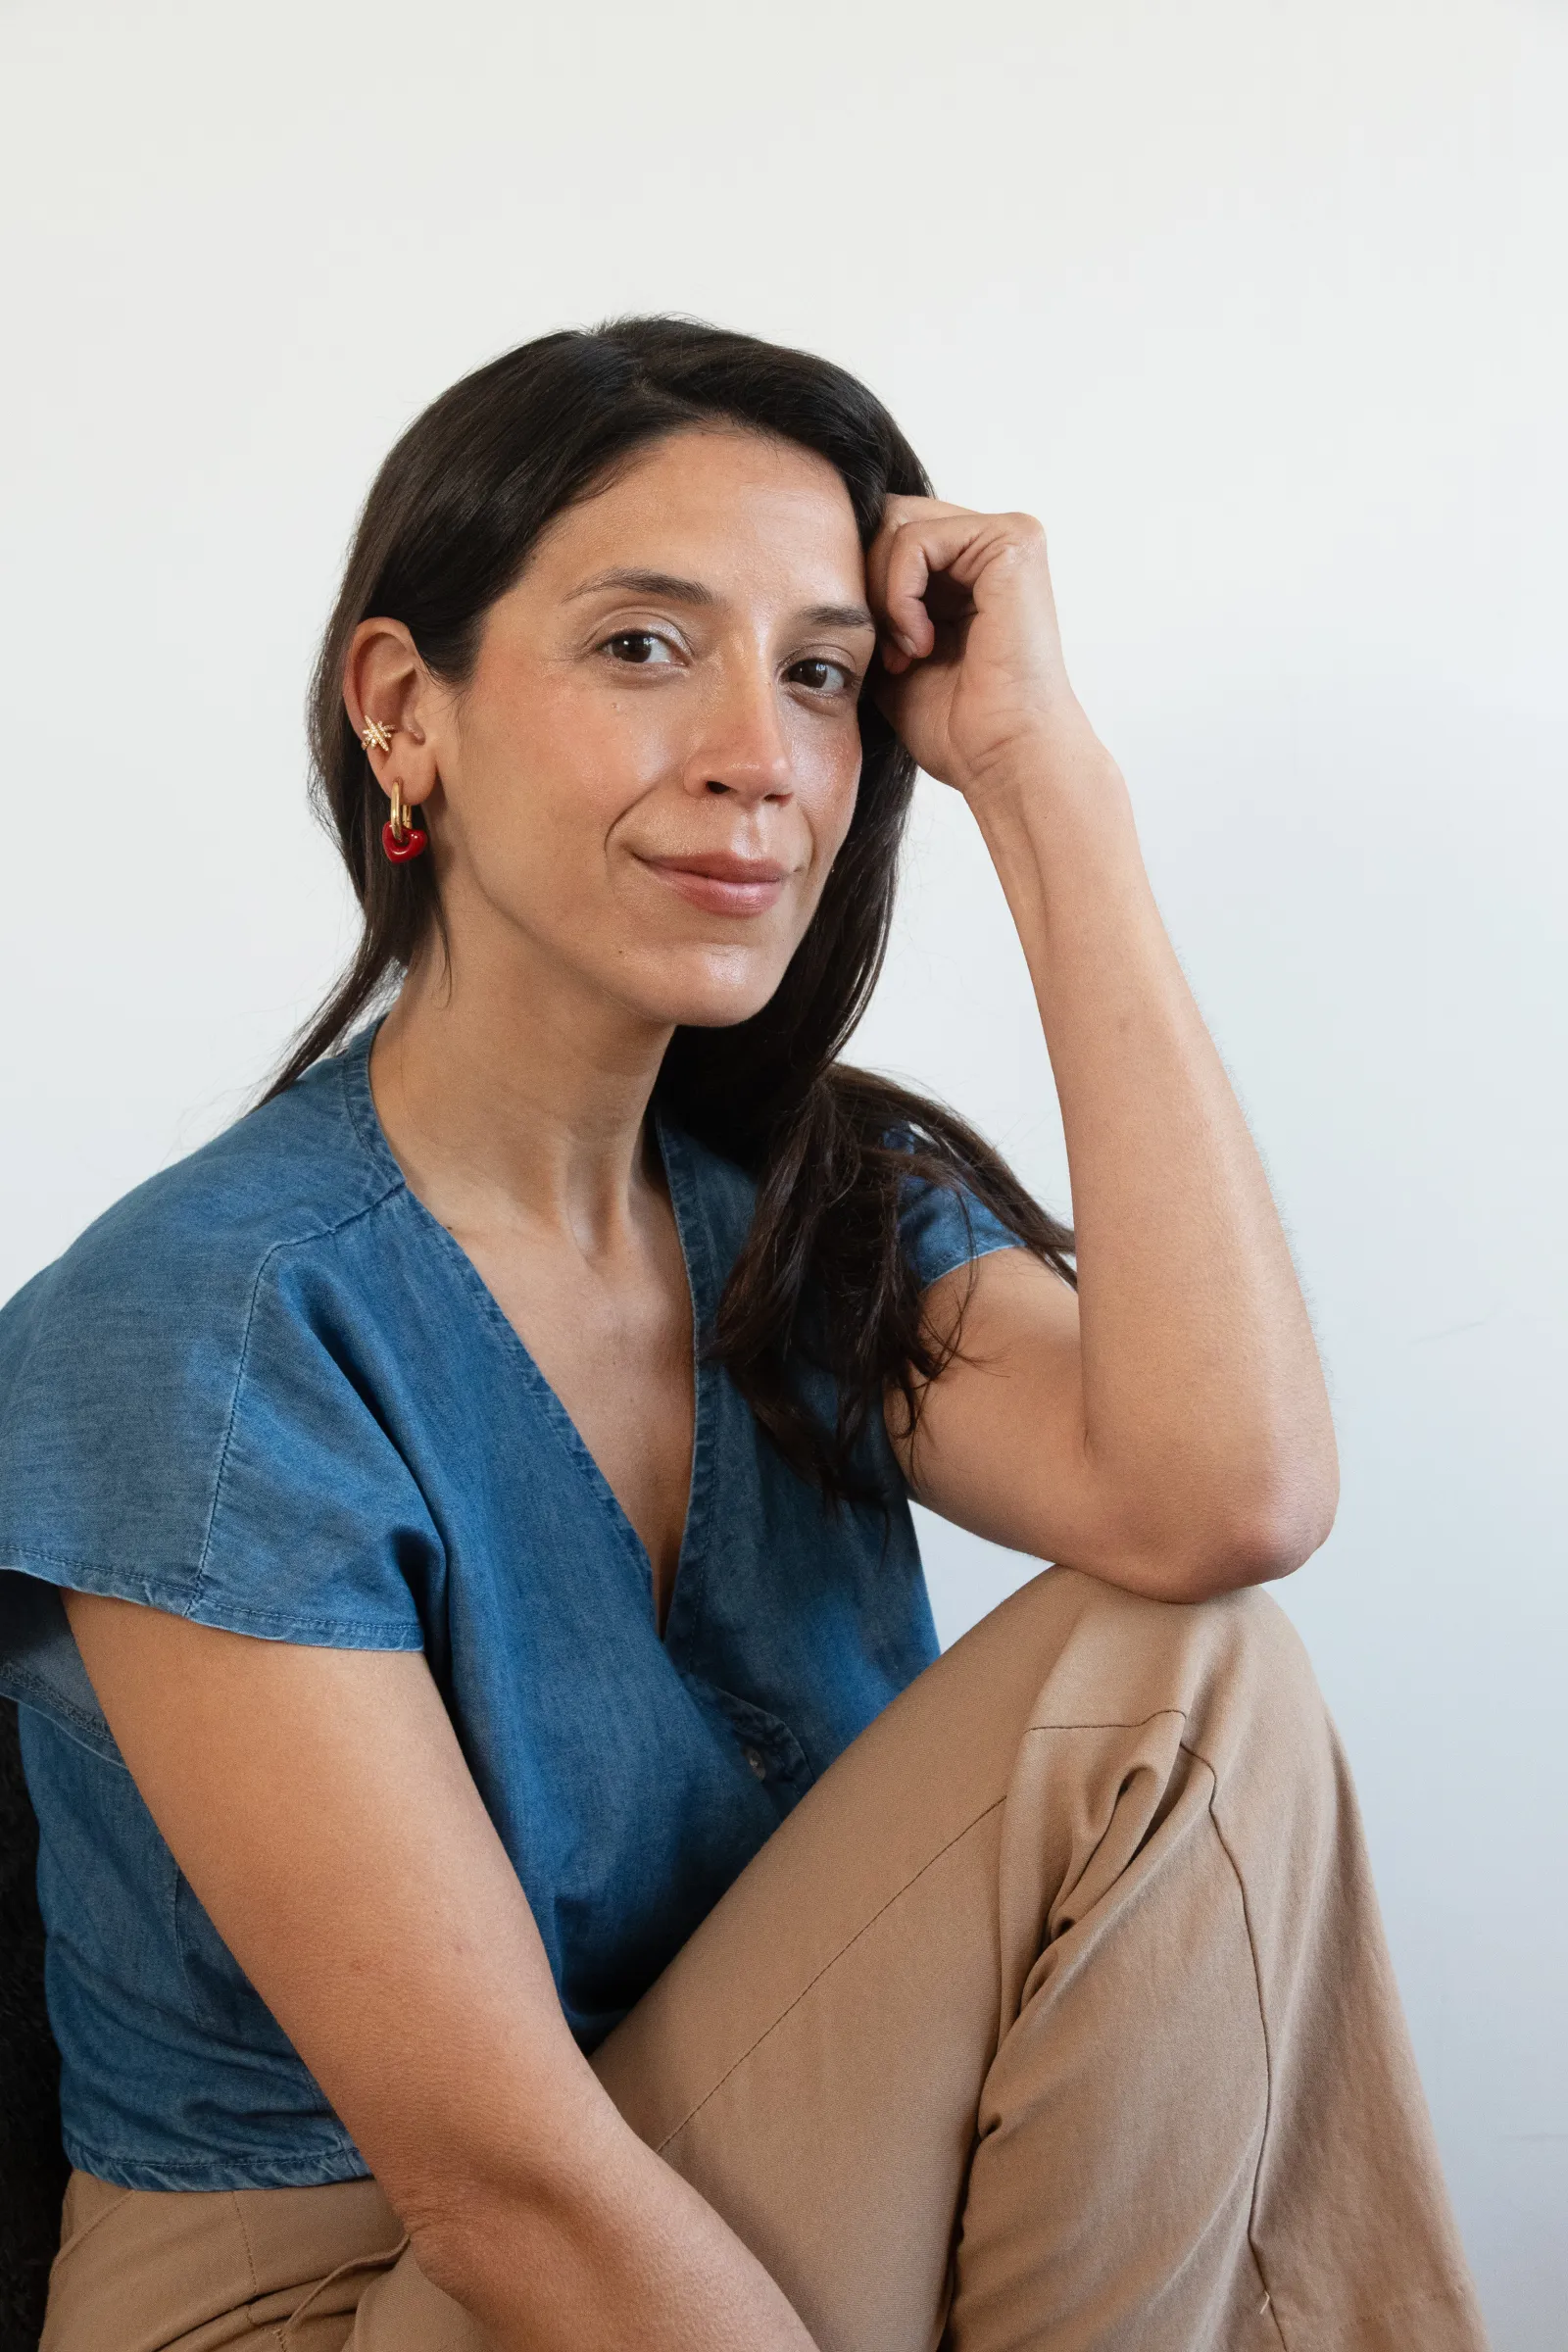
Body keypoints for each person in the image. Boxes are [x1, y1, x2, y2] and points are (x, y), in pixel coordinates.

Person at [0, 318, 1486, 2352]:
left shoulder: (804, 1212)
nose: (758, 757)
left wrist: (1044, 781)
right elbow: (504, 2186)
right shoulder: (202, 1332)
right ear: (403, 712)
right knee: (1158, 1695)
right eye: (642, 647)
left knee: (1189, 1655)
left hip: (747, 2197)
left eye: (820, 676)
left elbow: (1225, 1499)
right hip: (363, 2291)